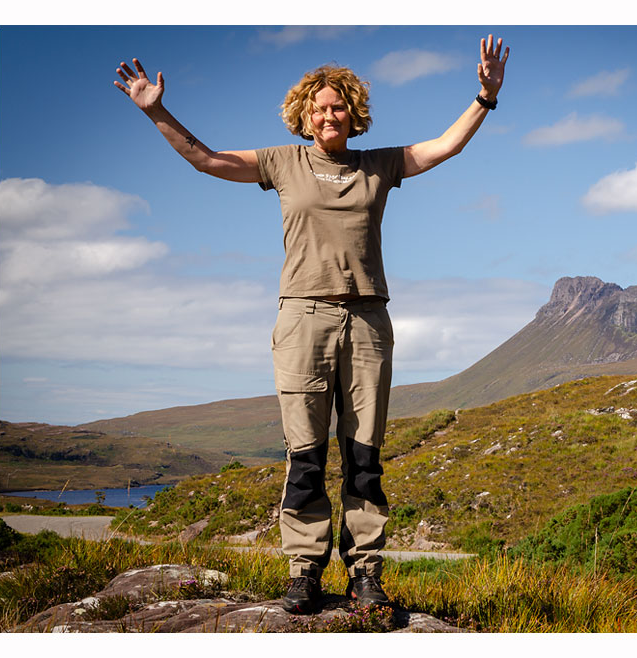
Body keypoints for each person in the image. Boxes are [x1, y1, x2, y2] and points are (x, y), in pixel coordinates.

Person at [114, 34, 509, 613]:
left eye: (339, 106)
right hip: (303, 318)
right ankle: (304, 571)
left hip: (368, 320)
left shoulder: (378, 165)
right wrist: (157, 112)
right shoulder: (283, 162)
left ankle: (365, 573)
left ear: (354, 113)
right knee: (305, 454)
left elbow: (444, 146)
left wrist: (485, 97)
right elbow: (207, 159)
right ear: (304, 114)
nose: (329, 115)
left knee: (364, 454)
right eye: (319, 107)